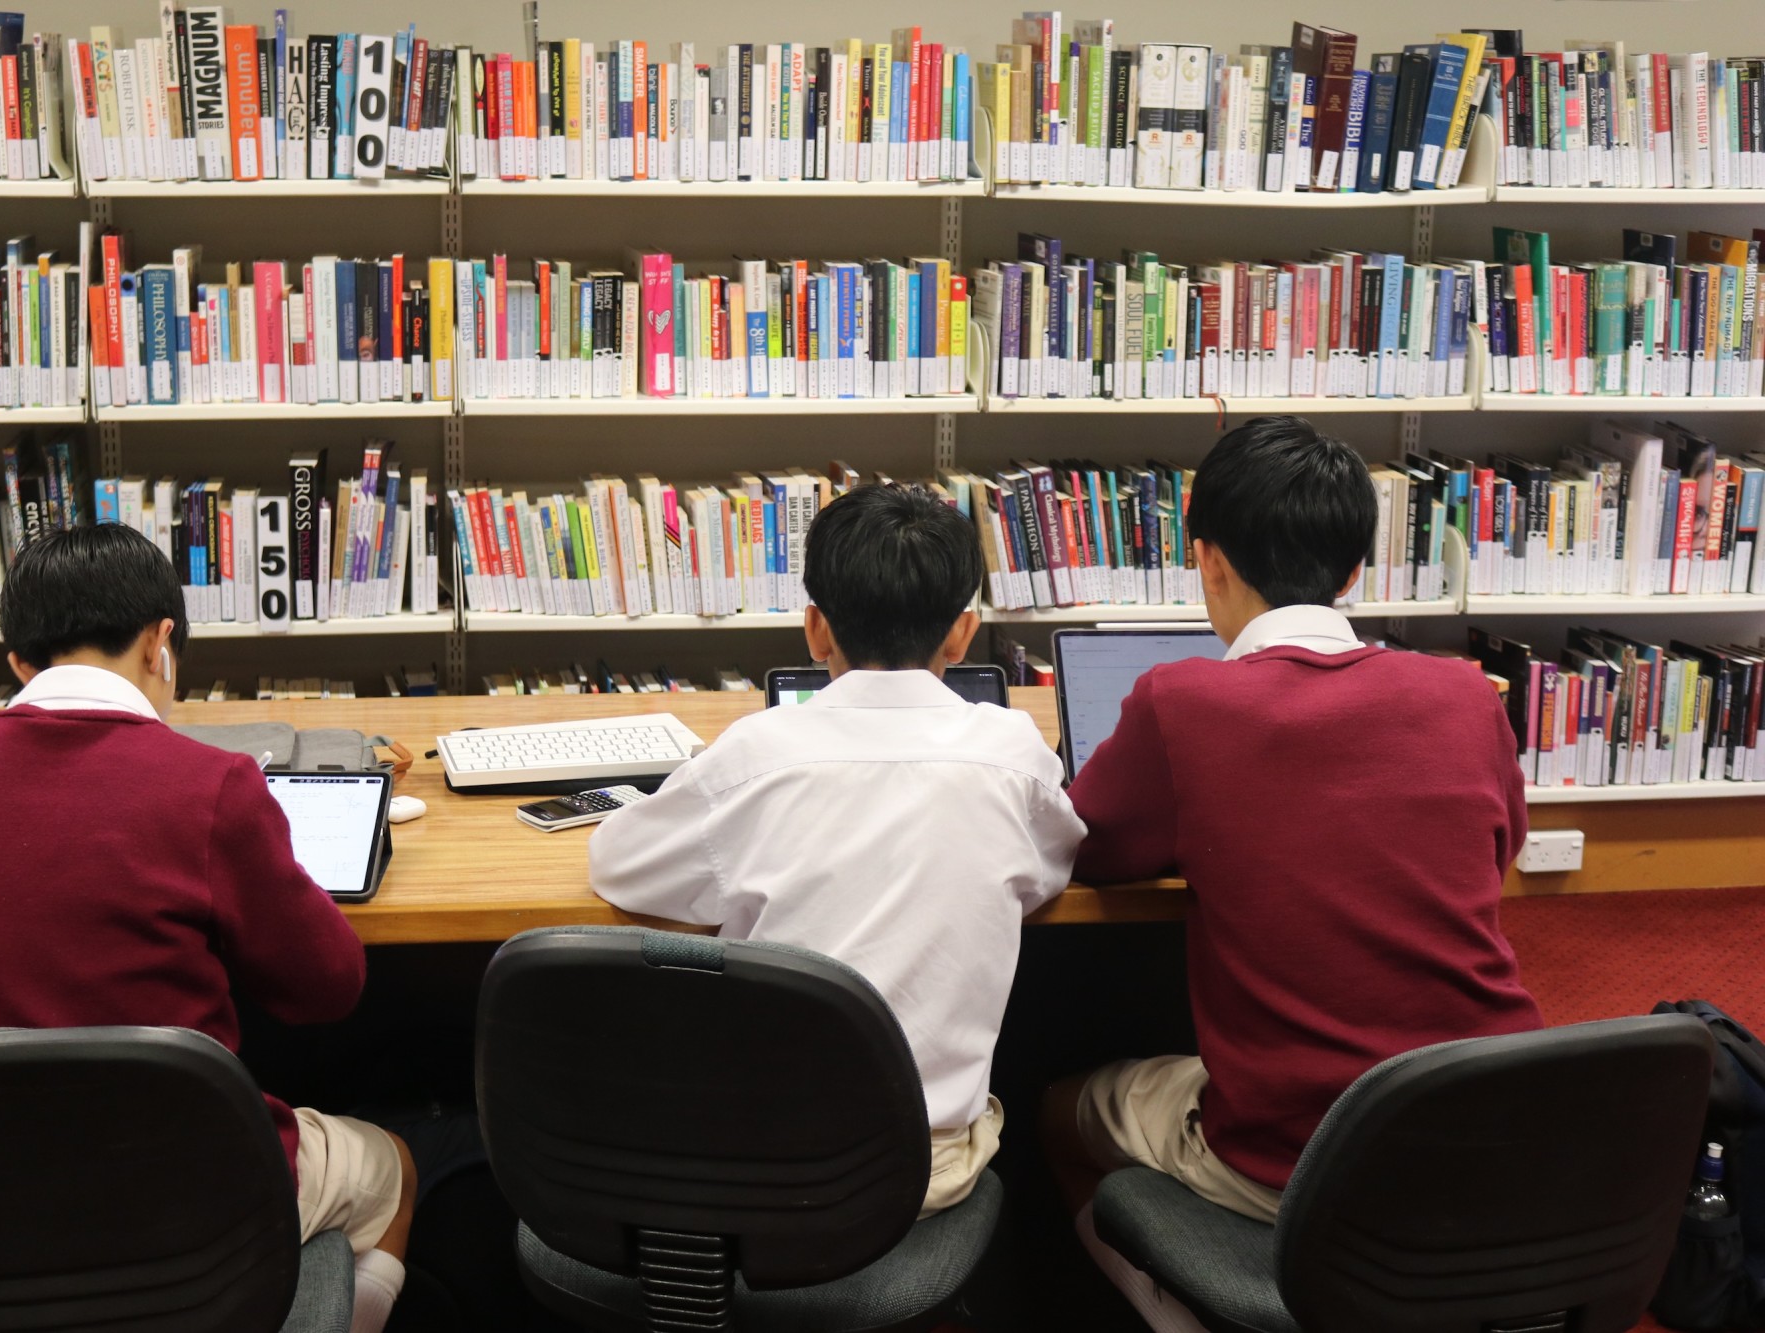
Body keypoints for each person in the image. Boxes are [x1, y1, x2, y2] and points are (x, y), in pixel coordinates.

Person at [0, 525, 415, 1333]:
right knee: (392, 1162)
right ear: (161, 644)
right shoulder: (214, 782)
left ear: (18, 663)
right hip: (197, 1186)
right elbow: (329, 986)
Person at [1044, 416, 1542, 1224]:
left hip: (1295, 1155)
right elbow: (1500, 851)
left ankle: (1169, 1300)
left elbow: (1084, 851)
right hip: (1497, 1122)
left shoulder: (1182, 700)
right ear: (1352, 570)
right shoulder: (1463, 693)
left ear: (1207, 560)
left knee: (1065, 1108)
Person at [590, 484, 1083, 1216]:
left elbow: (617, 865)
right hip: (923, 1169)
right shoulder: (1014, 759)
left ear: (816, 630)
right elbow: (1051, 869)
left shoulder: (756, 756)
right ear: (962, 634)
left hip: (755, 1170)